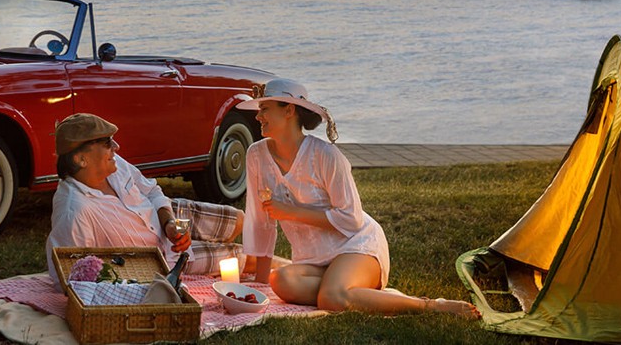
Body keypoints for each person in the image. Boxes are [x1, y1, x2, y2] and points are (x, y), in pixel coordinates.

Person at [237, 78, 479, 319]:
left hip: (355, 244)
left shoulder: (326, 156)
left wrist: (291, 211)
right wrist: (258, 286)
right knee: (280, 279)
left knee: (330, 299)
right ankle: (349, 289)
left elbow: (350, 219)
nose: (258, 117)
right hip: (313, 259)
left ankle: (430, 306)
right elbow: (260, 222)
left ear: (288, 110)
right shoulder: (256, 155)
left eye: (264, 109)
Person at [45, 113, 246, 282]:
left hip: (172, 214)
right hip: (164, 257)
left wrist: (168, 222)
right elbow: (68, 272)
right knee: (245, 257)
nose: (116, 146)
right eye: (107, 142)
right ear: (81, 159)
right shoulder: (75, 210)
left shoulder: (115, 165)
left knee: (241, 221)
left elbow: (151, 191)